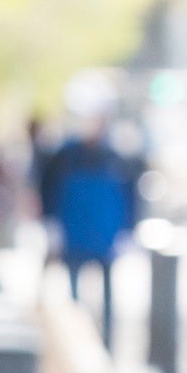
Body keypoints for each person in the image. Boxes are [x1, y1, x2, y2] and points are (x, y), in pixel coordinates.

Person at [40, 118, 142, 345]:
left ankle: (105, 343)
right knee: (75, 297)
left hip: (103, 238)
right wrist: (53, 227)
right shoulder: (67, 157)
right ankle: (78, 342)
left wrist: (127, 232)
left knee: (106, 297)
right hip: (77, 236)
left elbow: (130, 197)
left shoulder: (114, 158)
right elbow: (49, 192)